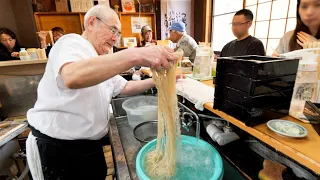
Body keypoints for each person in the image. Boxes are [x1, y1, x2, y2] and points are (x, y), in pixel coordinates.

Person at [26, 5, 179, 180]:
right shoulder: (71, 42)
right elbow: (71, 76)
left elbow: (125, 87)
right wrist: (137, 54)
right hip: (58, 149)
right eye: (113, 30)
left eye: (118, 34)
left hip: (89, 148)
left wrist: (160, 81)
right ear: (92, 22)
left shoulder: (100, 61)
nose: (115, 39)